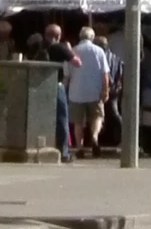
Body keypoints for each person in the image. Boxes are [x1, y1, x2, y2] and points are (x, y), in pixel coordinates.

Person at [67, 24, 110, 155]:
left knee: (78, 122)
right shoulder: (99, 51)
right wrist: (105, 90)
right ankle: (94, 137)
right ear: (92, 37)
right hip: (94, 91)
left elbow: (67, 75)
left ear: (80, 37)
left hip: (76, 92)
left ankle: (79, 147)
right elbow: (105, 73)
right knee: (97, 117)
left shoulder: (72, 51)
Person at [43, 22, 76, 163]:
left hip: (40, 86)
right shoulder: (60, 47)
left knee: (43, 117)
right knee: (62, 117)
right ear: (59, 36)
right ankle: (64, 152)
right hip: (57, 85)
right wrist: (69, 49)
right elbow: (77, 62)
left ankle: (44, 145)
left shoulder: (39, 46)